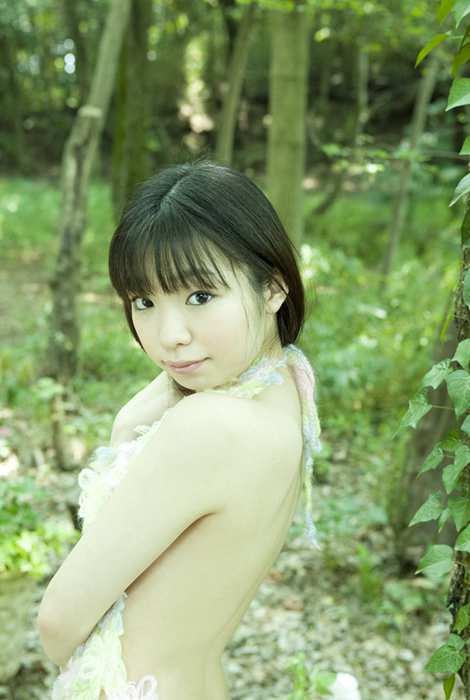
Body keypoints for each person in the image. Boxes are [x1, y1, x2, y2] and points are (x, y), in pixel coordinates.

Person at [38, 159, 323, 700]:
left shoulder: (208, 426)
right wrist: (129, 424)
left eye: (200, 297)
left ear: (273, 288)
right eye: (144, 302)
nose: (169, 335)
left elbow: (58, 621)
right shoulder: (287, 383)